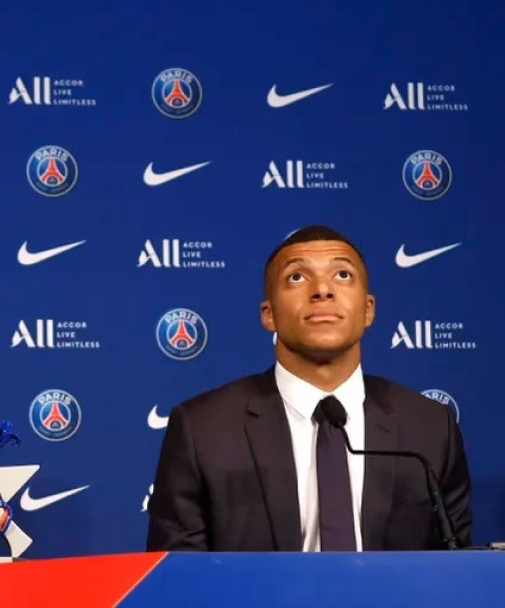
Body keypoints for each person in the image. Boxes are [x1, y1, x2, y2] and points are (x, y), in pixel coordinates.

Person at [145, 225, 471, 552]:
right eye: (297, 278)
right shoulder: (202, 429)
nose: (322, 290)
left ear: (369, 309)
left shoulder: (431, 428)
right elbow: (175, 578)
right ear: (268, 314)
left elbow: (452, 573)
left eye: (342, 275)